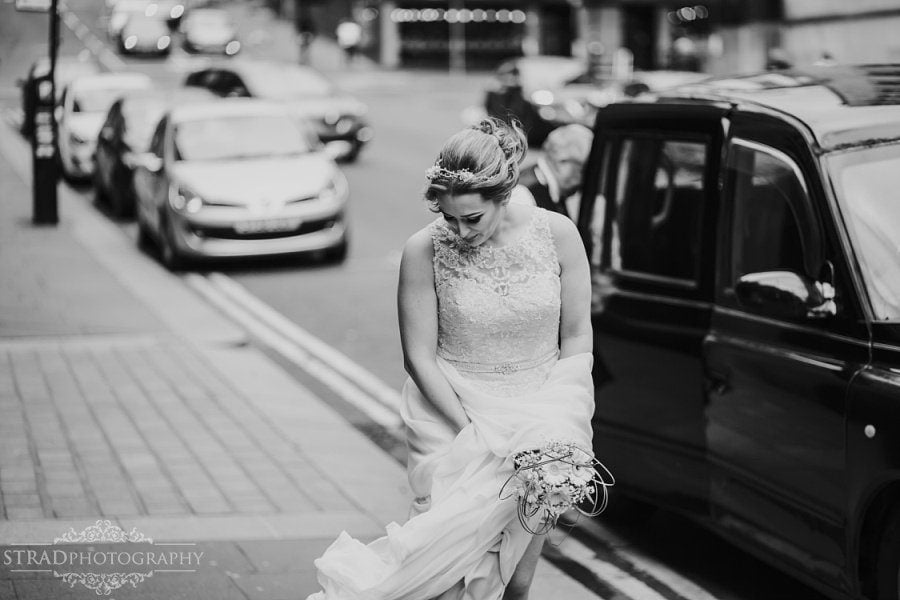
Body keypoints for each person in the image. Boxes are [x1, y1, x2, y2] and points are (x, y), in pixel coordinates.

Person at [305, 118, 596, 600]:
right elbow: (418, 357)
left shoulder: (559, 235)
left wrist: (565, 412)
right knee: (448, 571)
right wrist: (471, 431)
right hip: (450, 415)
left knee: (517, 580)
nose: (459, 231)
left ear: (504, 196)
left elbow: (578, 332)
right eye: (448, 217)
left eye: (472, 218)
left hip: (539, 416)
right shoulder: (424, 250)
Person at [511, 123, 593, 220]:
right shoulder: (523, 195)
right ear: (562, 160)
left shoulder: (551, 193)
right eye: (583, 170)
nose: (584, 180)